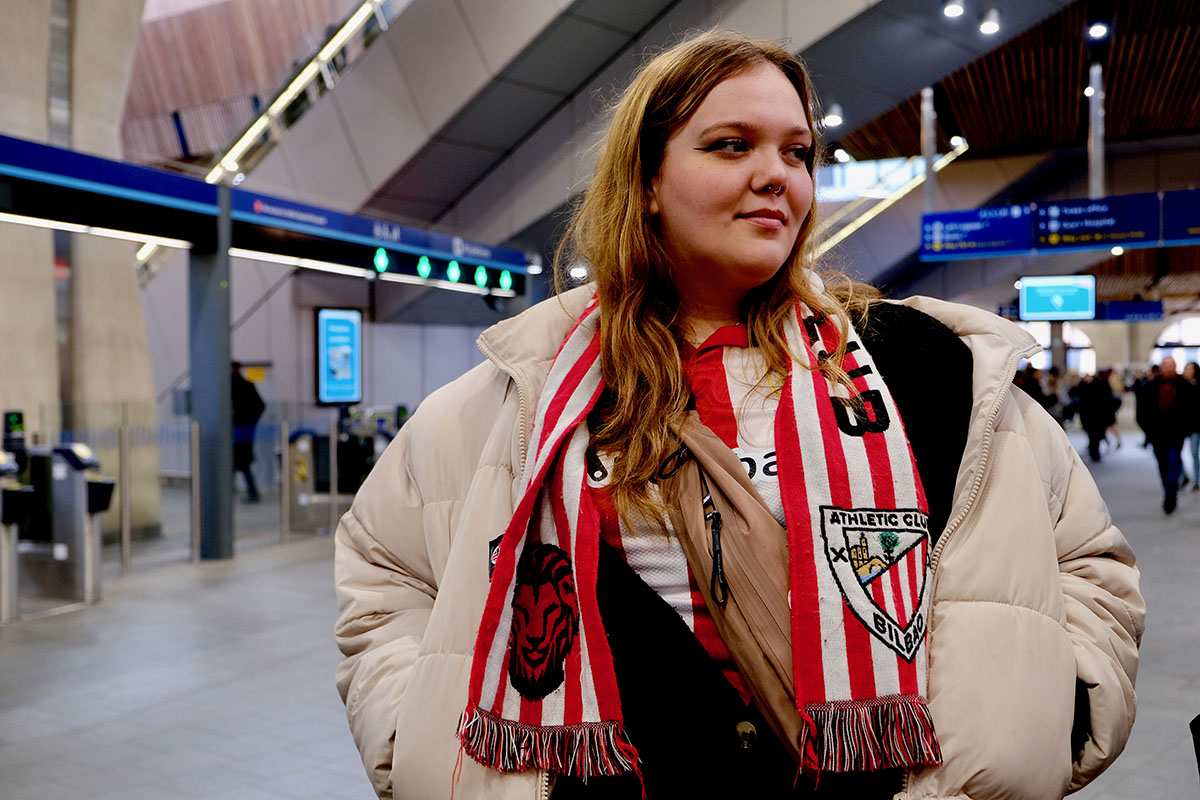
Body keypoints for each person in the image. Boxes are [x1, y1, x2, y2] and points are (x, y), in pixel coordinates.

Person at [334, 32, 1143, 800]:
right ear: (646, 183)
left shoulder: (925, 368)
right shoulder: (524, 392)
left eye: (797, 152)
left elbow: (1088, 562)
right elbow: (384, 575)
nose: (778, 175)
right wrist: (418, 735)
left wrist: (1040, 718)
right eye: (731, 145)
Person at [1141, 356, 1192, 513]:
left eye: (1171, 365)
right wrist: (1147, 429)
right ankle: (1168, 490)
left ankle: (1171, 495)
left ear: (1175, 367)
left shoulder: (1184, 385)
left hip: (1176, 433)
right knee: (1162, 464)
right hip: (1157, 434)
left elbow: (1192, 408)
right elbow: (1143, 410)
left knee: (1173, 462)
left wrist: (1186, 429)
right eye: (1166, 365)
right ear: (1162, 368)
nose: (1168, 368)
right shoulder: (1151, 386)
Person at [231, 361, 265, 503]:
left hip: (239, 429)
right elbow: (260, 405)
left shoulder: (231, 385)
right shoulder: (246, 384)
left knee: (240, 462)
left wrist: (243, 420)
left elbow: (260, 405)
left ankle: (251, 492)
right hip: (243, 429)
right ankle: (249, 491)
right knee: (240, 462)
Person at [1181, 361, 1200, 491]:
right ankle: (1184, 476)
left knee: (1194, 452)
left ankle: (1196, 480)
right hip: (1183, 426)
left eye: (1189, 369)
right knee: (1178, 453)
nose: (1187, 371)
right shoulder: (1180, 385)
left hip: (1195, 426)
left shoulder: (1196, 386)